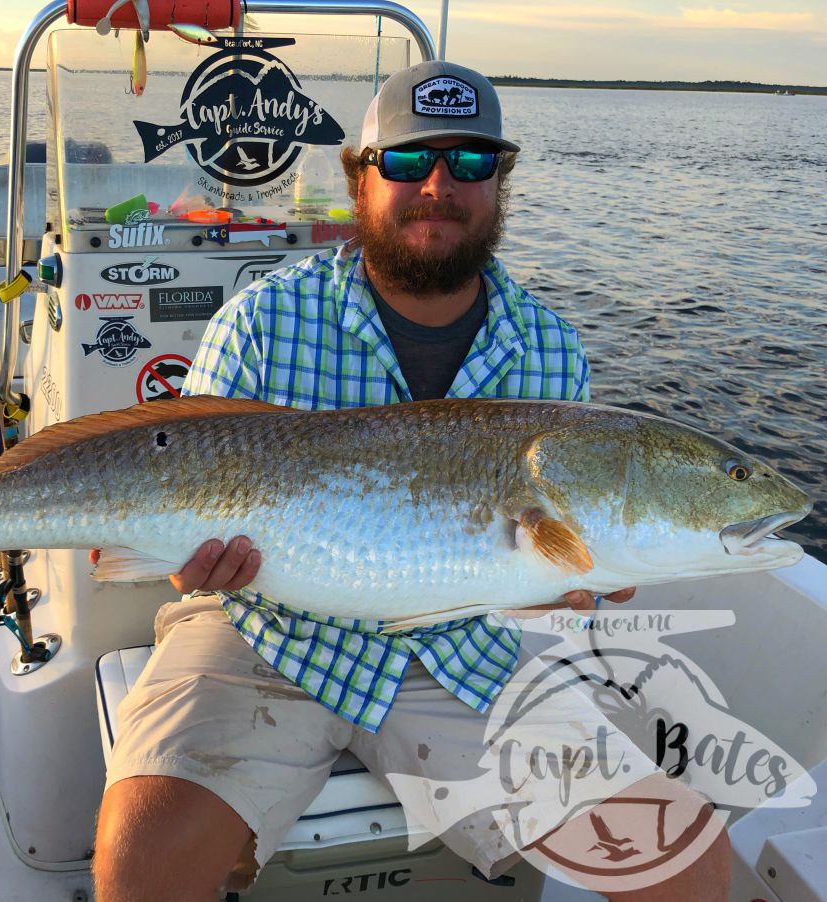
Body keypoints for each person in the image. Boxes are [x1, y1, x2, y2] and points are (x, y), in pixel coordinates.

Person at [93, 61, 730, 900]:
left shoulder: (550, 349)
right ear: (362, 178)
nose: (439, 186)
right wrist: (185, 558)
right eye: (408, 162)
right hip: (267, 632)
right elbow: (178, 484)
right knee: (142, 861)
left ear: (500, 183)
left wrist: (573, 587)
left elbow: (542, 564)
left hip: (461, 652)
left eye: (470, 164)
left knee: (685, 862)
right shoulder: (259, 320)